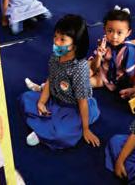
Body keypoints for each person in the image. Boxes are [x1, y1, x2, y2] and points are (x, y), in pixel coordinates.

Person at [19, 15, 101, 149]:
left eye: (62, 39)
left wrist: (86, 129)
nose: (56, 42)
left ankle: (43, 132)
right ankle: (47, 127)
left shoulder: (79, 69)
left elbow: (82, 102)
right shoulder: (56, 56)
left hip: (74, 108)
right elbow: (50, 79)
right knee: (25, 98)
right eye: (55, 37)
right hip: (56, 99)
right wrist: (41, 102)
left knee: (62, 134)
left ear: (76, 44)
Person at [89, 7, 135, 91]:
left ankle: (70, 86)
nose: (114, 37)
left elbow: (131, 74)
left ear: (128, 33)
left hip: (110, 78)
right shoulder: (105, 42)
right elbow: (95, 65)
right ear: (104, 29)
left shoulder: (129, 50)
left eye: (119, 33)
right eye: (110, 31)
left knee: (86, 82)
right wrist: (99, 55)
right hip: (100, 67)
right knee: (84, 66)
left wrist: (132, 89)